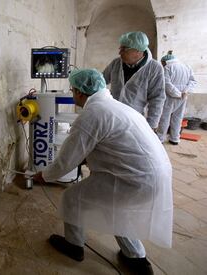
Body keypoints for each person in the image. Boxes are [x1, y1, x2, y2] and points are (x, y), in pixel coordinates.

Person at [33, 69, 173, 275]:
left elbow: (66, 161)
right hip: (154, 175)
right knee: (115, 207)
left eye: (73, 90)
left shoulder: (92, 114)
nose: (72, 94)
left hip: (135, 180)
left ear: (80, 92)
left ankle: (74, 246)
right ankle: (136, 258)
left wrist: (44, 175)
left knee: (73, 198)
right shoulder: (116, 107)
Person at [103, 31, 166, 130]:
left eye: (124, 49)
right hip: (113, 116)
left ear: (138, 51)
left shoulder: (154, 68)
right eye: (120, 48)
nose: (120, 52)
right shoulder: (116, 63)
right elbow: (102, 81)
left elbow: (157, 98)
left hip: (134, 120)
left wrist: (151, 125)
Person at [157, 51, 197, 145]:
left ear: (165, 61)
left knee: (164, 117)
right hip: (183, 97)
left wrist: (177, 93)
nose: (162, 65)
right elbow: (193, 82)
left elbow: (166, 84)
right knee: (178, 118)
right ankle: (174, 139)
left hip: (170, 97)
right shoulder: (187, 67)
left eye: (162, 63)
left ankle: (160, 138)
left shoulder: (167, 68)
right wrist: (185, 92)